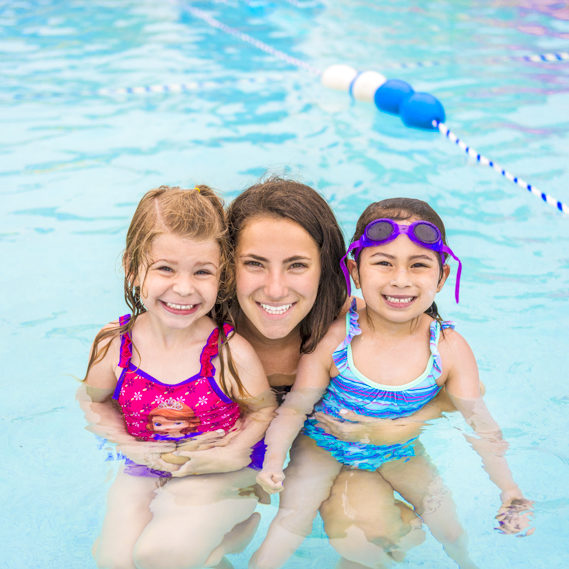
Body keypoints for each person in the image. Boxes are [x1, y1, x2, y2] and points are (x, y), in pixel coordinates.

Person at [255, 197, 533, 569]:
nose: (400, 280)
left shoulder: (447, 350)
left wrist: (509, 490)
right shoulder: (337, 336)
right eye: (383, 263)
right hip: (323, 445)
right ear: (355, 272)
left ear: (442, 276)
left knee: (447, 524)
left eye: (418, 265)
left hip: (399, 448)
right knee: (291, 519)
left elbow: (480, 424)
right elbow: (296, 407)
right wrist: (272, 460)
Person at [226, 179, 430, 569]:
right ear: (226, 263)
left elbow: (445, 390)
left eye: (297, 265)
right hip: (255, 437)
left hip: (342, 437)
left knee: (367, 537)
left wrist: (399, 428)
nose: (274, 289)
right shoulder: (205, 332)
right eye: (254, 263)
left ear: (328, 268)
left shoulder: (355, 323)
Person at [79, 185, 276, 569]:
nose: (183, 288)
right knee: (113, 562)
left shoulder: (228, 354)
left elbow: (264, 411)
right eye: (165, 268)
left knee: (160, 555)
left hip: (219, 470)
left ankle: (228, 537)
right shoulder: (113, 345)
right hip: (144, 463)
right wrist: (127, 444)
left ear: (221, 278)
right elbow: (93, 401)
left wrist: (233, 450)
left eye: (201, 272)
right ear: (133, 269)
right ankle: (210, 552)